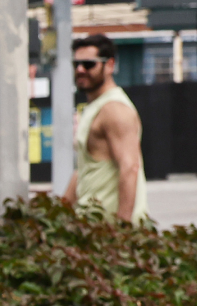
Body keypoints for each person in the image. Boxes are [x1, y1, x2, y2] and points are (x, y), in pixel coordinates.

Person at [60, 34, 149, 224]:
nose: (80, 70)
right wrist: (59, 215)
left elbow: (130, 168)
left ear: (109, 65)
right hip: (92, 228)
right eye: (76, 64)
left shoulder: (115, 110)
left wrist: (122, 230)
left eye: (89, 64)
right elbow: (83, 171)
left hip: (109, 231)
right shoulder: (95, 107)